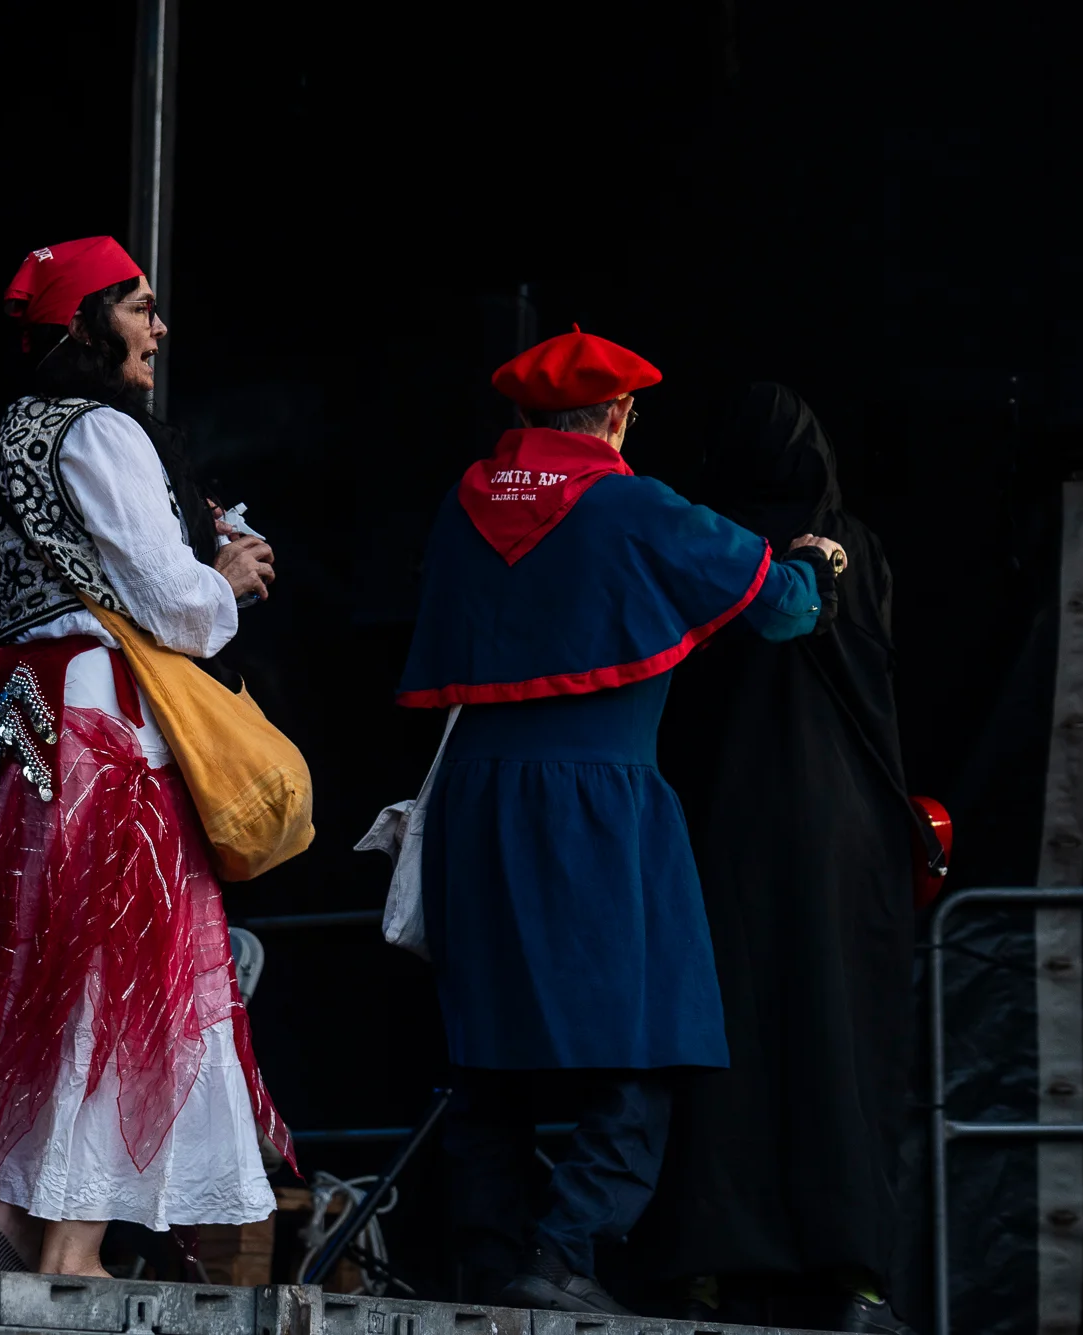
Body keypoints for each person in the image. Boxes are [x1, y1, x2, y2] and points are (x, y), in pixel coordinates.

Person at [0, 237, 293, 1278]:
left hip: (23, 723)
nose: (157, 328)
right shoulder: (100, 430)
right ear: (88, 325)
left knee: (37, 962)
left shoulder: (12, 438)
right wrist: (224, 576)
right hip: (103, 731)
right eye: (138, 308)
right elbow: (174, 607)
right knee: (118, 971)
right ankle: (73, 1243)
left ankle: (5, 1221)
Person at [396, 329, 847, 1316]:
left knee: (489, 1043)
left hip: (477, 796)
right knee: (651, 1034)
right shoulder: (634, 505)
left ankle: (489, 1261)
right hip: (598, 794)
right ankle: (564, 1249)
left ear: (524, 417)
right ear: (616, 414)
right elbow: (782, 610)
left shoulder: (465, 502)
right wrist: (816, 561)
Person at [634, 384, 917, 1335]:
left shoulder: (709, 543)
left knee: (718, 1042)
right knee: (840, 1041)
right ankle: (853, 1276)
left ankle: (704, 1268)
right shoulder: (856, 547)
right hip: (846, 839)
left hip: (720, 826)